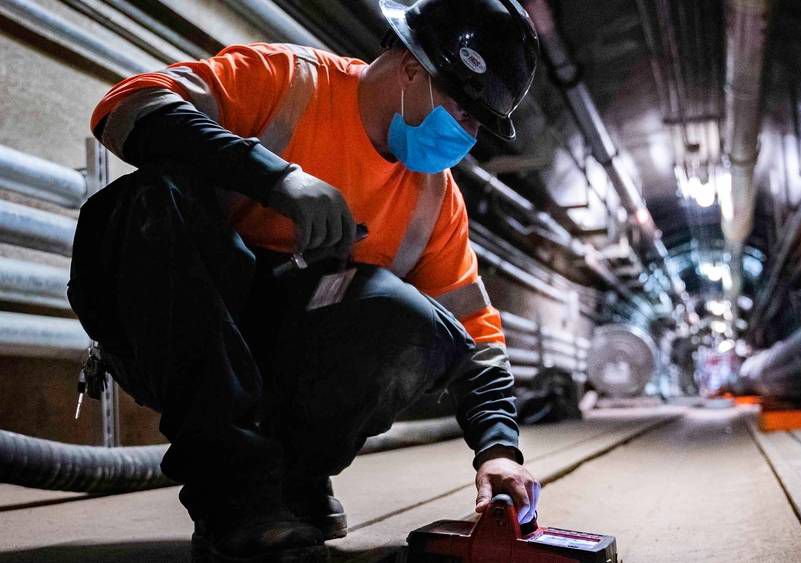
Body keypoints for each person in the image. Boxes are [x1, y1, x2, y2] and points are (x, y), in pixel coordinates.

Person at [80, 1, 542, 561]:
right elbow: (126, 106)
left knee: (412, 319)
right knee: (147, 201)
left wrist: (499, 448)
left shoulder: (434, 198)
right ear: (412, 69)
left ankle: (296, 478)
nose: (466, 134)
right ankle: (237, 497)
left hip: (291, 342)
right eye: (464, 111)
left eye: (477, 124)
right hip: (183, 329)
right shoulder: (287, 82)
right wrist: (273, 178)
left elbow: (475, 335)